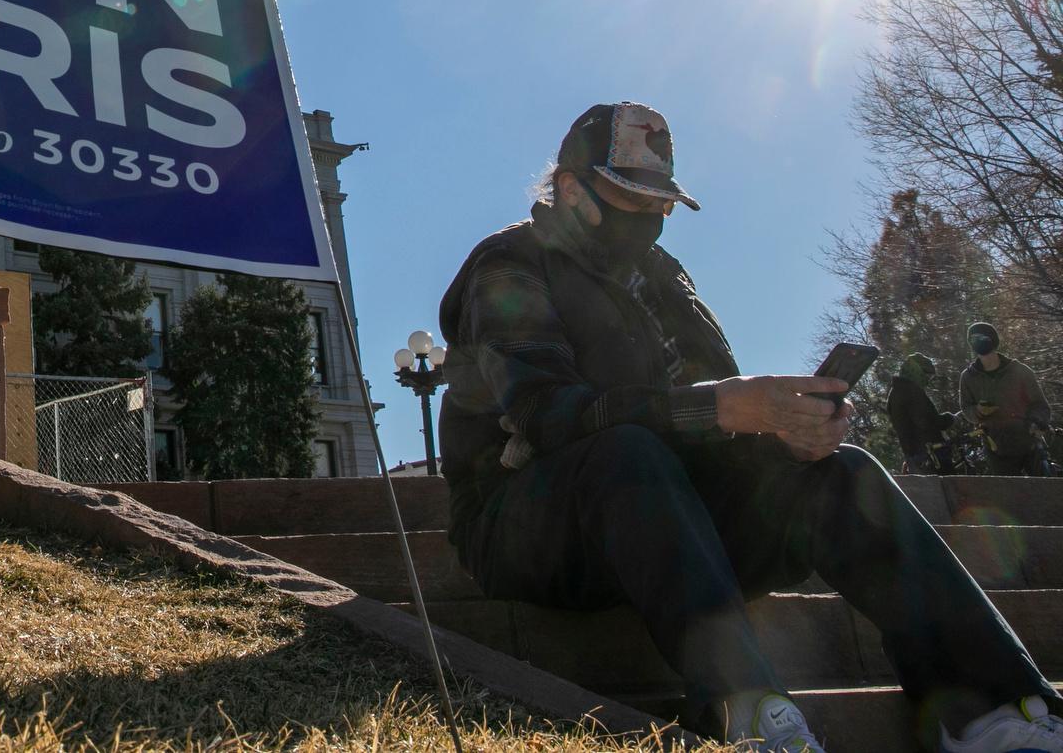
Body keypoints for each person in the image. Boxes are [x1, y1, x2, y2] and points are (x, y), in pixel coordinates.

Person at [437, 102, 1062, 753]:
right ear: (570, 188)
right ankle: (748, 719)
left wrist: (786, 432)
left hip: (669, 521)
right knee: (625, 450)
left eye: (662, 203)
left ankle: (998, 711)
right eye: (630, 196)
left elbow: (721, 415)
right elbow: (547, 415)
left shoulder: (665, 279)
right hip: (527, 524)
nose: (650, 218)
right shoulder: (509, 266)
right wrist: (716, 408)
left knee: (842, 475)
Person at [960, 323, 1054, 477]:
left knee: (1044, 493)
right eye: (973, 338)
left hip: (1029, 443)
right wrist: (977, 411)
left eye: (982, 337)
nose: (978, 341)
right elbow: (966, 407)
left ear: (993, 341)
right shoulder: (968, 377)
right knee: (1010, 497)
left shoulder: (1020, 371)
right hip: (997, 448)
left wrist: (1036, 422)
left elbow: (1040, 405)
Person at [888, 352, 959, 475]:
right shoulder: (911, 391)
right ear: (917, 371)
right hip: (932, 455)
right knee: (949, 491)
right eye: (928, 375)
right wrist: (950, 419)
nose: (928, 380)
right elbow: (927, 421)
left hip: (915, 458)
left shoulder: (894, 393)